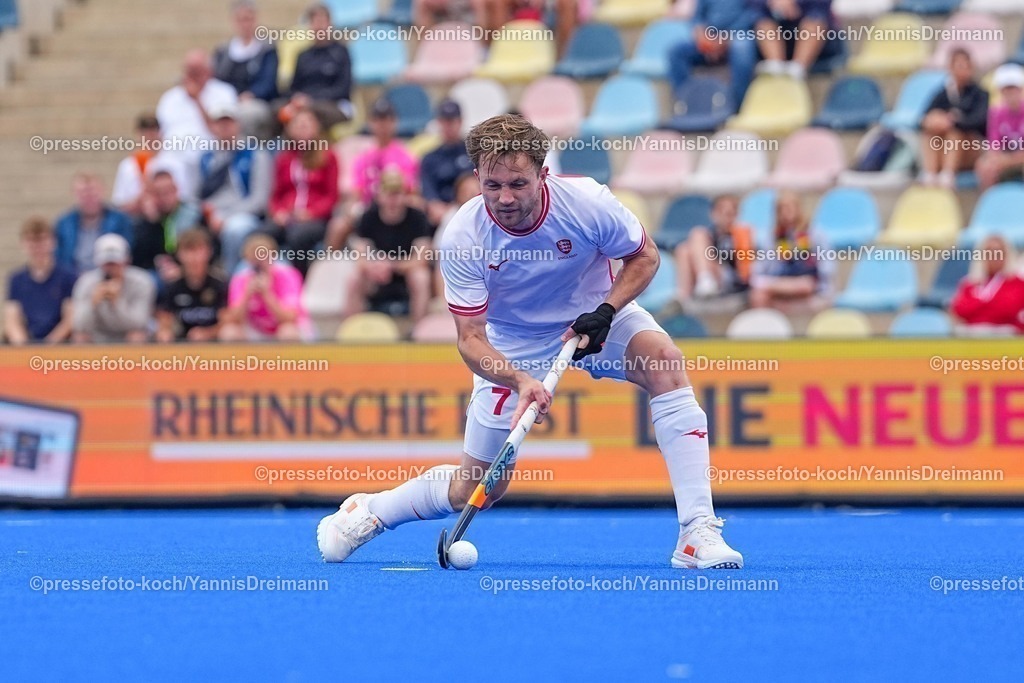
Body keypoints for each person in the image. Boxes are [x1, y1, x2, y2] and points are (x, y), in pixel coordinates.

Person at [317, 114, 743, 570]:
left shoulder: (586, 202)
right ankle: (372, 512)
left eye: (518, 184)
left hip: (596, 316)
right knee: (477, 488)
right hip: (512, 344)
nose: (504, 198)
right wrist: (519, 379)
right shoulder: (463, 236)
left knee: (665, 362)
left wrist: (607, 310)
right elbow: (470, 338)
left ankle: (697, 532)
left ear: (543, 174)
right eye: (492, 184)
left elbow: (644, 256)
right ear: (477, 176)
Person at [345, 170, 434, 323]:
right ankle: (351, 332)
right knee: (354, 278)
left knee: (421, 277)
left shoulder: (418, 218)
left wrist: (392, 265)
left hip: (405, 272)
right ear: (379, 195)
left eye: (397, 194)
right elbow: (360, 255)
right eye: (388, 194)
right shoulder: (368, 217)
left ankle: (420, 332)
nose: (393, 200)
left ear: (405, 195)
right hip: (377, 274)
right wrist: (373, 267)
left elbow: (422, 258)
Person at [199, 102, 272, 274]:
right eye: (220, 123)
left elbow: (260, 199)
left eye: (229, 122)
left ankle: (232, 279)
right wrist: (210, 212)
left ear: (238, 124)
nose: (225, 127)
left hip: (244, 213)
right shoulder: (206, 158)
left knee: (235, 230)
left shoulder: (256, 154)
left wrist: (226, 217)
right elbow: (199, 194)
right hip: (212, 214)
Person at [156, 49, 239, 199]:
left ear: (208, 71)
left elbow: (223, 130)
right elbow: (159, 135)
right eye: (189, 72)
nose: (192, 77)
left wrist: (197, 100)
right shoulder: (169, 98)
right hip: (173, 156)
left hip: (208, 154)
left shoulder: (224, 92)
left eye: (197, 71)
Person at [265, 107, 338, 277]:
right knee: (263, 234)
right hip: (287, 216)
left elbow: (332, 196)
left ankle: (299, 280)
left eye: (307, 124)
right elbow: (276, 194)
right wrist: (278, 213)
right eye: (298, 124)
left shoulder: (328, 156)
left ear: (316, 127)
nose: (302, 128)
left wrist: (311, 213)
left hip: (316, 218)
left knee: (299, 236)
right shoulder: (284, 158)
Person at [748, 191, 833, 312]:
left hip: (807, 281)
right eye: (782, 209)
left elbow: (826, 266)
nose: (786, 212)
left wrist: (824, 288)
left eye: (789, 208)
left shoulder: (814, 233)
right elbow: (764, 265)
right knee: (758, 295)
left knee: (805, 285)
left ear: (798, 209)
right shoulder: (774, 236)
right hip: (782, 280)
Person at [667, 0, 760, 109]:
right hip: (711, 36)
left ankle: (736, 106)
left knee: (742, 48)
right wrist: (702, 37)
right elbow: (697, 19)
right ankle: (688, 102)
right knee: (676, 52)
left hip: (739, 35)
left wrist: (725, 39)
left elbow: (754, 16)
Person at [220, 233, 312, 341]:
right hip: (256, 330)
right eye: (254, 261)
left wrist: (267, 295)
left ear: (273, 256)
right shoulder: (240, 279)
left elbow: (289, 318)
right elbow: (233, 319)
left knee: (288, 332)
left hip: (287, 329)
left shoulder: (288, 276)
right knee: (229, 332)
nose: (259, 264)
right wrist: (246, 296)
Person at [919, 49, 988, 189]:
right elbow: (923, 119)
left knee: (954, 133)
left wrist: (953, 122)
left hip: (970, 149)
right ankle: (930, 174)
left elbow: (979, 121)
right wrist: (937, 120)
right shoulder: (943, 94)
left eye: (965, 66)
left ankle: (948, 174)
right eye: (958, 66)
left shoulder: (980, 94)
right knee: (931, 131)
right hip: (942, 149)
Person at [71, 234, 156, 343]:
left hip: (126, 334)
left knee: (137, 335)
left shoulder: (141, 282)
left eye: (115, 264)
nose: (111, 269)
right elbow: (78, 325)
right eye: (107, 264)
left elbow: (140, 323)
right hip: (98, 336)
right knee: (80, 336)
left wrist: (117, 302)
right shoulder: (86, 282)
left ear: (126, 260)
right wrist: (93, 303)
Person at [4, 218, 77, 345]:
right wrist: (23, 345)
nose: (37, 248)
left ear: (53, 242)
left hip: (60, 344)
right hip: (27, 341)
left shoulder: (68, 277)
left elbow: (69, 320)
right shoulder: (16, 279)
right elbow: (12, 319)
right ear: (23, 244)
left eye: (42, 241)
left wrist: (47, 345)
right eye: (32, 242)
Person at [282, 3, 354, 132]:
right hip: (303, 104)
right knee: (278, 110)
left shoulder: (341, 52)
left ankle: (317, 149)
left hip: (334, 104)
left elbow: (343, 89)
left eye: (322, 21)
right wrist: (296, 99)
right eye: (315, 22)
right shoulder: (303, 55)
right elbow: (293, 87)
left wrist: (311, 100)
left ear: (330, 24)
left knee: (313, 114)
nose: (319, 27)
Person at [212, 0, 278, 138]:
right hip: (227, 100)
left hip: (256, 102)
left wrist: (251, 94)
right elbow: (217, 78)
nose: (245, 24)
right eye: (241, 20)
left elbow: (268, 82)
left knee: (245, 115)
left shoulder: (266, 50)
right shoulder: (223, 51)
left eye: (249, 19)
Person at [673, 195, 753, 301]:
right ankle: (684, 295)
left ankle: (705, 279)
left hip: (730, 277)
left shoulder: (741, 233)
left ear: (736, 215)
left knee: (698, 233)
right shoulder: (712, 234)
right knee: (683, 250)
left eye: (729, 214)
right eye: (721, 213)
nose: (725, 218)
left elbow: (744, 267)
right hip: (711, 272)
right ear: (713, 214)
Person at [131, 170, 203, 286]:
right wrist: (152, 222)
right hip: (157, 271)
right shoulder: (146, 220)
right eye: (159, 193)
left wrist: (182, 270)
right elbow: (139, 258)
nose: (165, 198)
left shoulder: (193, 215)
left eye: (168, 192)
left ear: (176, 190)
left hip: (188, 269)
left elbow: (203, 248)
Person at [156, 229, 227, 343]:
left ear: (209, 252)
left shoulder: (219, 283)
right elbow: (165, 322)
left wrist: (207, 333)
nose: (194, 257)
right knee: (163, 336)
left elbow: (226, 322)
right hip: (182, 342)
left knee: (230, 333)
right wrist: (166, 333)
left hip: (213, 343)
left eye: (198, 250)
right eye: (188, 251)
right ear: (179, 254)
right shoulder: (172, 286)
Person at [54, 173, 134, 274]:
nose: (88, 198)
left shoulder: (120, 220)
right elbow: (60, 256)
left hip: (110, 273)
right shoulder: (64, 223)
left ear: (102, 191)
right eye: (83, 193)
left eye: (92, 192)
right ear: (74, 193)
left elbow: (127, 251)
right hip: (74, 276)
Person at [950, 235, 1024, 334]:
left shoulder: (1016, 282)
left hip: (1004, 334)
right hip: (972, 332)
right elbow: (960, 310)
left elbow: (1008, 310)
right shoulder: (970, 282)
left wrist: (978, 303)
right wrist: (989, 302)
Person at [752, 0, 841, 80]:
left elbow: (822, 4)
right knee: (762, 19)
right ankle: (775, 65)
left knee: (816, 17)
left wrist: (795, 2)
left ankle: (798, 68)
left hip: (822, 43)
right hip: (780, 33)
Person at [420, 99, 475, 227]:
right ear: (439, 123)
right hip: (440, 216)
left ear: (460, 122)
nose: (448, 126)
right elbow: (429, 192)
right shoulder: (429, 159)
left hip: (468, 211)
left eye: (452, 121)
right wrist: (437, 207)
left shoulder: (473, 154)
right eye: (445, 121)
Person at [975, 63, 1024, 191]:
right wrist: (996, 159)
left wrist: (1008, 160)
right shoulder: (996, 113)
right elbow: (994, 145)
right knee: (985, 166)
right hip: (1007, 157)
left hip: (1015, 158)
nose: (1010, 93)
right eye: (1006, 89)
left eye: (1013, 88)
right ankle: (990, 202)